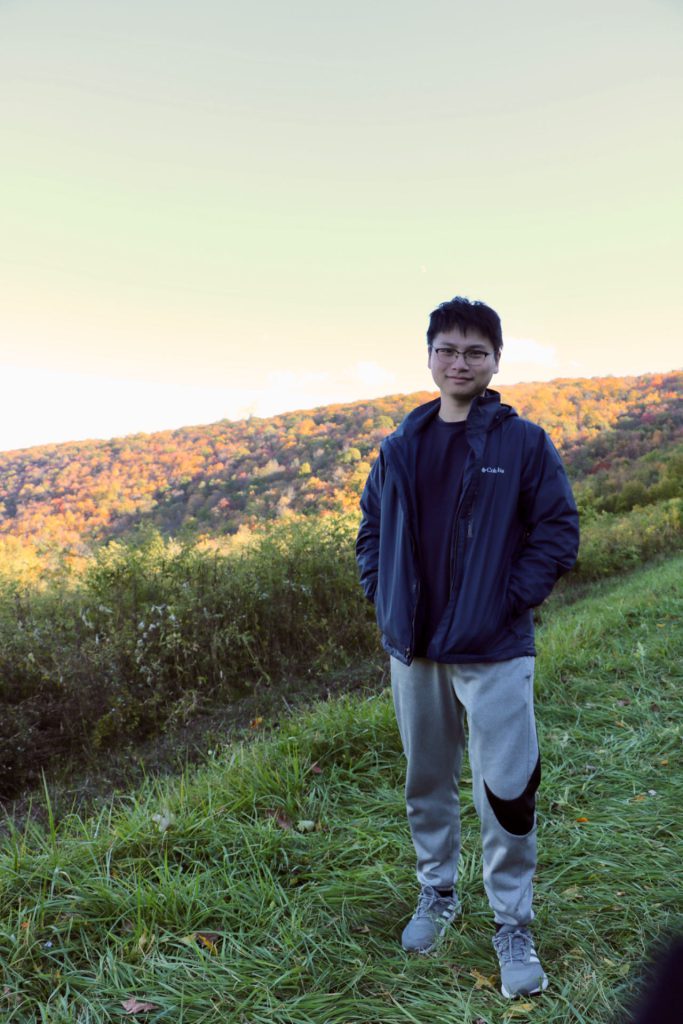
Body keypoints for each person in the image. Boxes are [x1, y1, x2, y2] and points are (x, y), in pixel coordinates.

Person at [356, 296, 579, 999]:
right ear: (429, 356)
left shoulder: (521, 443)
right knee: (426, 781)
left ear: (494, 362)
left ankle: (512, 922)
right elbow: (370, 532)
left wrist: (509, 598)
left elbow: (556, 528)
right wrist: (381, 594)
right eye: (447, 349)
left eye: (474, 351)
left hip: (493, 647)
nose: (460, 362)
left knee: (506, 793)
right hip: (414, 649)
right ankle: (437, 894)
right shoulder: (399, 447)